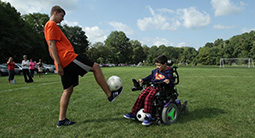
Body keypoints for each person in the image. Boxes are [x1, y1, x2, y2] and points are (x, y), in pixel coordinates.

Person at [44, 5, 123, 127]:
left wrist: (56, 63)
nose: (63, 19)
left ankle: (62, 120)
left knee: (68, 89)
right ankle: (110, 95)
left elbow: (50, 49)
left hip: (63, 62)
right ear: (56, 12)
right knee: (96, 67)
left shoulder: (51, 26)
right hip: (68, 58)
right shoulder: (51, 25)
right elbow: (51, 44)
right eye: (62, 15)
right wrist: (58, 63)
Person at [123, 55, 174, 126]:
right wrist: (143, 80)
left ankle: (148, 116)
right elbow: (149, 77)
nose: (157, 67)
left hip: (160, 88)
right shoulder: (155, 71)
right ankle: (133, 113)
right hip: (152, 86)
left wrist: (169, 81)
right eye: (156, 65)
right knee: (141, 96)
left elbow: (172, 82)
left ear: (165, 64)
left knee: (148, 98)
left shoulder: (168, 72)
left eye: (159, 65)